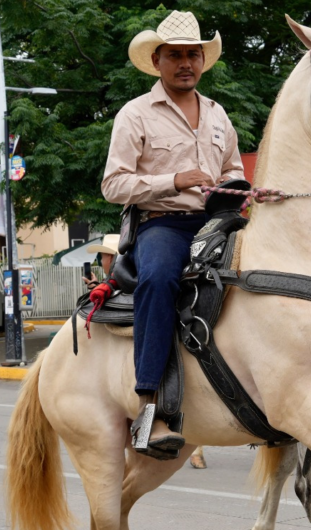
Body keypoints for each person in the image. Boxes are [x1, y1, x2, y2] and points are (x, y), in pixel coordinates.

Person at [101, 10, 244, 460]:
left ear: (203, 61)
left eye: (193, 55)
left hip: (216, 221)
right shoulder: (135, 114)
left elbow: (234, 169)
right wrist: (173, 181)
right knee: (160, 278)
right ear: (158, 60)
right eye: (176, 55)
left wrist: (239, 190)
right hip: (162, 223)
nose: (186, 63)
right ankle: (149, 408)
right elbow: (113, 185)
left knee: (266, 273)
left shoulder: (219, 115)